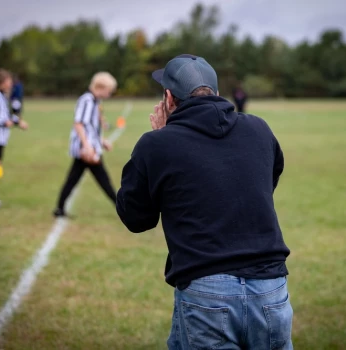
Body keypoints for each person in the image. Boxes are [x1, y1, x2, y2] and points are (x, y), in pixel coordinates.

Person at [116, 54, 292, 349]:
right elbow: (264, 184)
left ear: (169, 99)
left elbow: (136, 218)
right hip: (271, 289)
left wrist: (161, 139)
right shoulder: (259, 128)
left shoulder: (156, 143)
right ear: (217, 93)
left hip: (206, 292)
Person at [52, 72, 118, 218]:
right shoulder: (87, 100)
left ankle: (59, 208)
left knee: (74, 179)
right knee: (103, 179)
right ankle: (122, 207)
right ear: (101, 87)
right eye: (109, 90)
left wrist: (101, 141)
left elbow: (91, 127)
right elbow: (79, 124)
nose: (110, 93)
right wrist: (87, 146)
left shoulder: (95, 101)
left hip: (90, 146)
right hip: (86, 149)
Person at [0, 69, 28, 209]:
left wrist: (17, 122)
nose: (11, 83)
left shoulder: (2, 95)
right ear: (1, 82)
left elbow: (5, 114)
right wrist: (4, 122)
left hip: (1, 138)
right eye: (8, 80)